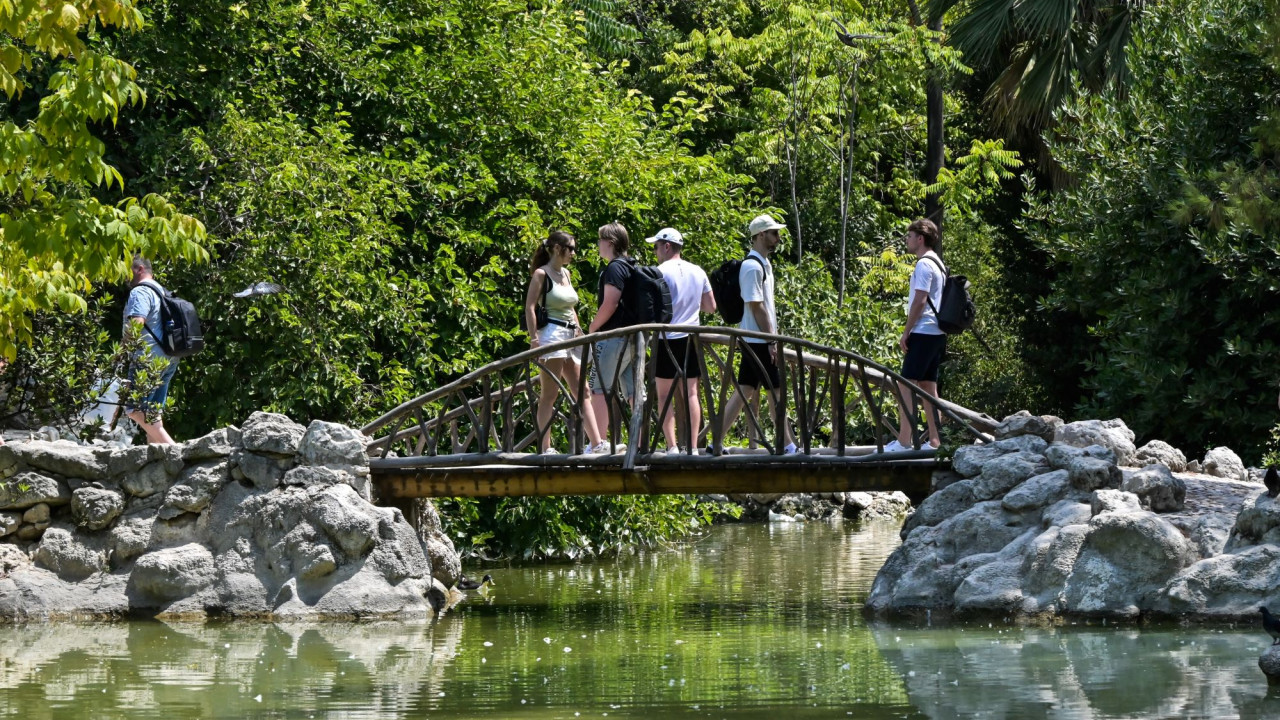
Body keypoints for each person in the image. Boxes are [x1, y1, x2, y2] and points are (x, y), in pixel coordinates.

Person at [718, 214, 797, 455]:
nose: (778, 238)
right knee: (776, 392)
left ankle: (715, 442)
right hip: (759, 341)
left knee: (745, 390)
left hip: (755, 340)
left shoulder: (762, 264)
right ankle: (787, 445)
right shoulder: (752, 266)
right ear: (761, 235)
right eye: (774, 233)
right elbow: (756, 305)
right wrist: (772, 339)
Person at [526, 231, 607, 455]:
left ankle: (597, 443)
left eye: (574, 248)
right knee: (549, 394)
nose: (573, 252)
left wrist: (580, 331)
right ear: (555, 248)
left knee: (583, 391)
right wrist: (534, 340)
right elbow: (530, 307)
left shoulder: (567, 274)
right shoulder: (542, 274)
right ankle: (545, 448)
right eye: (569, 248)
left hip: (571, 337)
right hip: (551, 337)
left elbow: (570, 307)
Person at [646, 227, 715, 454]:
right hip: (690, 338)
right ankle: (694, 447)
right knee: (692, 394)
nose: (656, 252)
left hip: (667, 337)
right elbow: (710, 307)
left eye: (656, 247)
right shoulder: (698, 271)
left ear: (667, 246)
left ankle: (672, 446)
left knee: (664, 395)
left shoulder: (659, 272)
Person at [885, 218, 947, 451]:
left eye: (909, 236)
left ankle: (903, 441)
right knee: (929, 389)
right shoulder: (938, 264)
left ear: (920, 239)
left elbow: (920, 301)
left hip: (923, 331)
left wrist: (906, 331)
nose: (907, 241)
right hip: (938, 333)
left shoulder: (923, 265)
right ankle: (935, 441)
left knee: (905, 385)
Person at [587, 222, 641, 445]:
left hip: (613, 337)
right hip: (633, 338)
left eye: (600, 240)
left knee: (598, 389)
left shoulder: (614, 268)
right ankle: (639, 444)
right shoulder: (632, 265)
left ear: (609, 243)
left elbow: (610, 303)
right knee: (633, 392)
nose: (598, 245)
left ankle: (598, 443)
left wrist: (592, 328)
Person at [122, 254, 180, 445]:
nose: (124, 277)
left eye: (127, 271)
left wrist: (121, 350)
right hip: (168, 357)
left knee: (134, 409)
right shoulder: (162, 291)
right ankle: (158, 460)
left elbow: (137, 323)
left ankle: (175, 450)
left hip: (148, 357)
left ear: (139, 269)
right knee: (152, 411)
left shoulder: (140, 292)